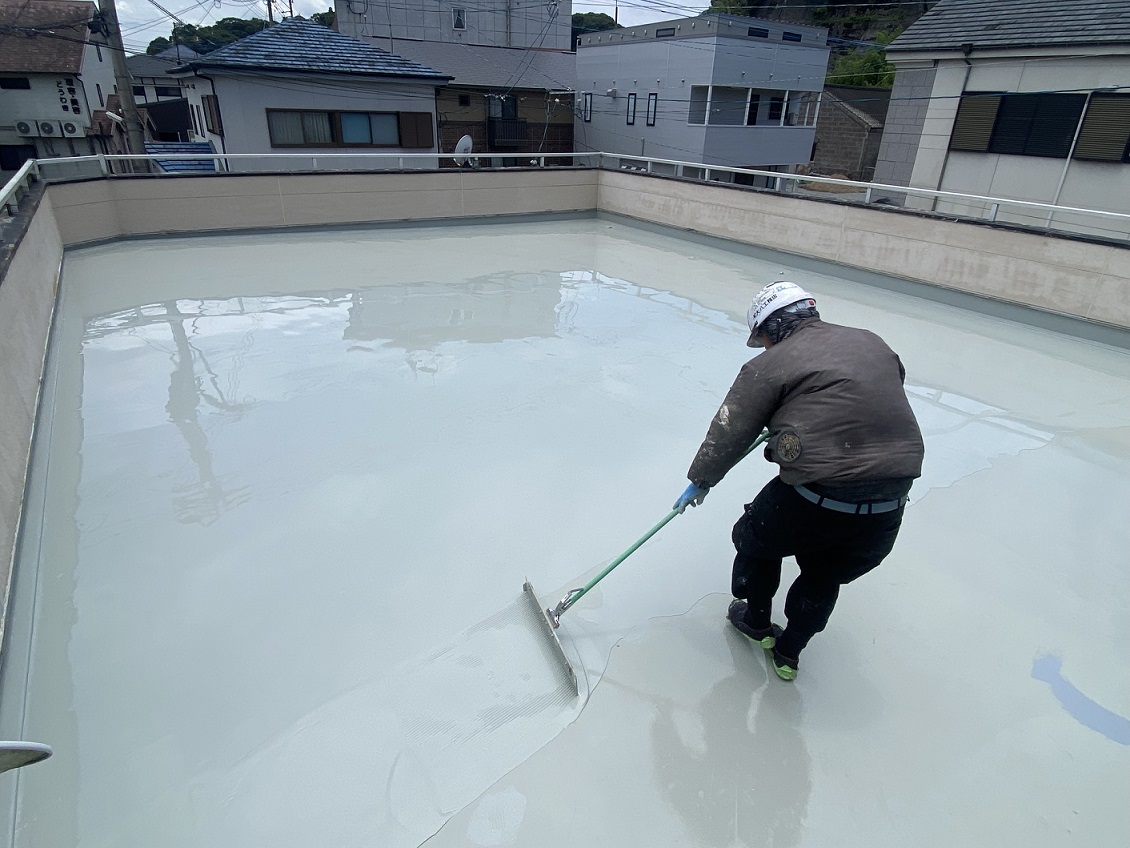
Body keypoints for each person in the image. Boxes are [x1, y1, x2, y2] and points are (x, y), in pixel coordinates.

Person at [673, 282, 924, 681]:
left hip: (818, 492)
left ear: (772, 331)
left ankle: (756, 622)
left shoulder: (769, 365)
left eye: (764, 341)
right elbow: (872, 396)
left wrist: (701, 479)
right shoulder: (873, 343)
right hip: (890, 499)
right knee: (825, 572)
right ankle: (789, 655)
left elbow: (729, 428)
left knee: (755, 539)